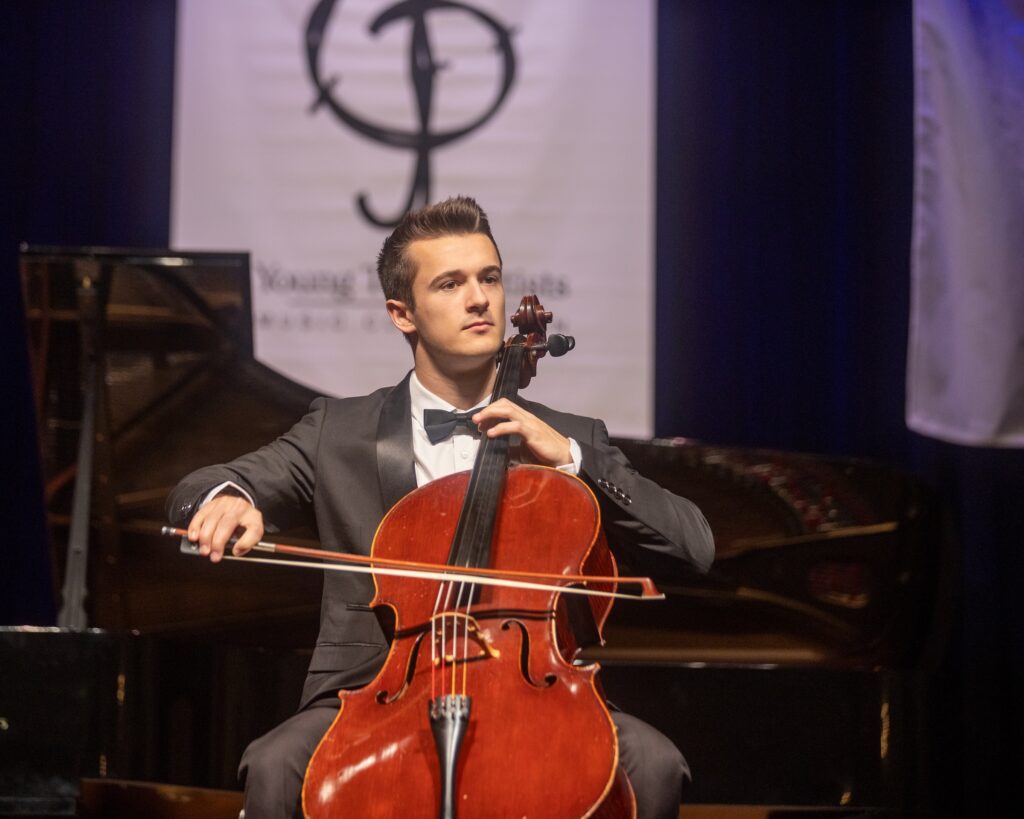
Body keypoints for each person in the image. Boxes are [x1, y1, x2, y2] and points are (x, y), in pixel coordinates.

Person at [166, 196, 714, 819]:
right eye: (450, 284)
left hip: (536, 696)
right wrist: (227, 500)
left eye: (489, 278)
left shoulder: (570, 436)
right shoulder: (338, 432)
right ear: (402, 313)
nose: (479, 299)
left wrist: (569, 460)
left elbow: (693, 547)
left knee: (654, 763)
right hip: (372, 694)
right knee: (275, 764)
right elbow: (201, 486)